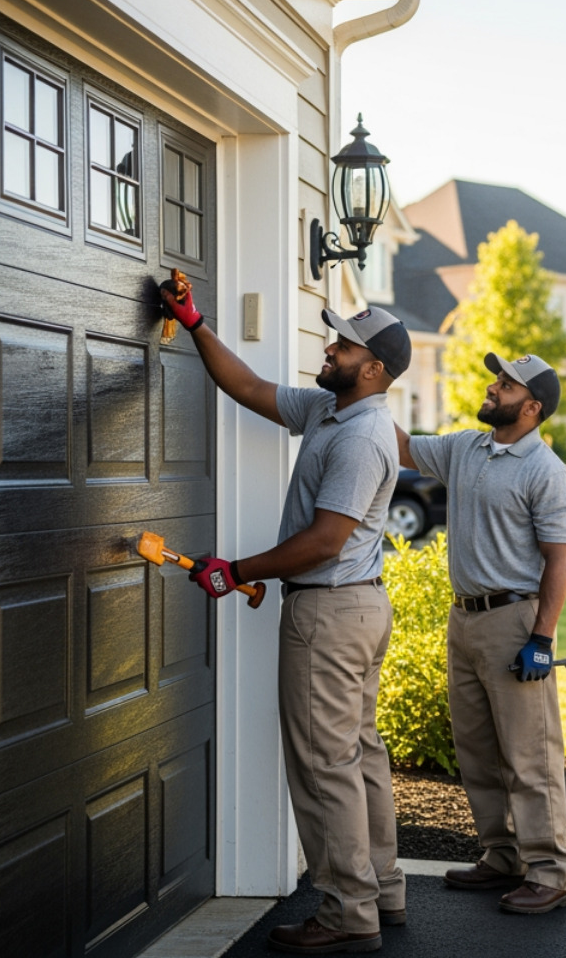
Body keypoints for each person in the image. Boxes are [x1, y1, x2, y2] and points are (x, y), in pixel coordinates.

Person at [161, 282, 412, 954]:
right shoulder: (332, 412)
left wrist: (237, 571)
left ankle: (347, 914)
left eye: (343, 344)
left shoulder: (362, 436)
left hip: (329, 613)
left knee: (325, 764)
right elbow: (248, 388)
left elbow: (326, 540)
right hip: (353, 607)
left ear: (375, 369)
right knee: (357, 757)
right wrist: (196, 325)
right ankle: (382, 892)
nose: (328, 347)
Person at [395, 352, 566, 915]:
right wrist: (368, 387)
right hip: (464, 619)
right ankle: (502, 855)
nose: (491, 387)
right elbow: (404, 446)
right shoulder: (464, 448)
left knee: (530, 754)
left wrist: (543, 639)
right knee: (476, 748)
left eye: (504, 385)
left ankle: (551, 872)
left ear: (531, 407)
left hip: (514, 621)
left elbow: (558, 562)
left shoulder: (546, 473)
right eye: (495, 379)